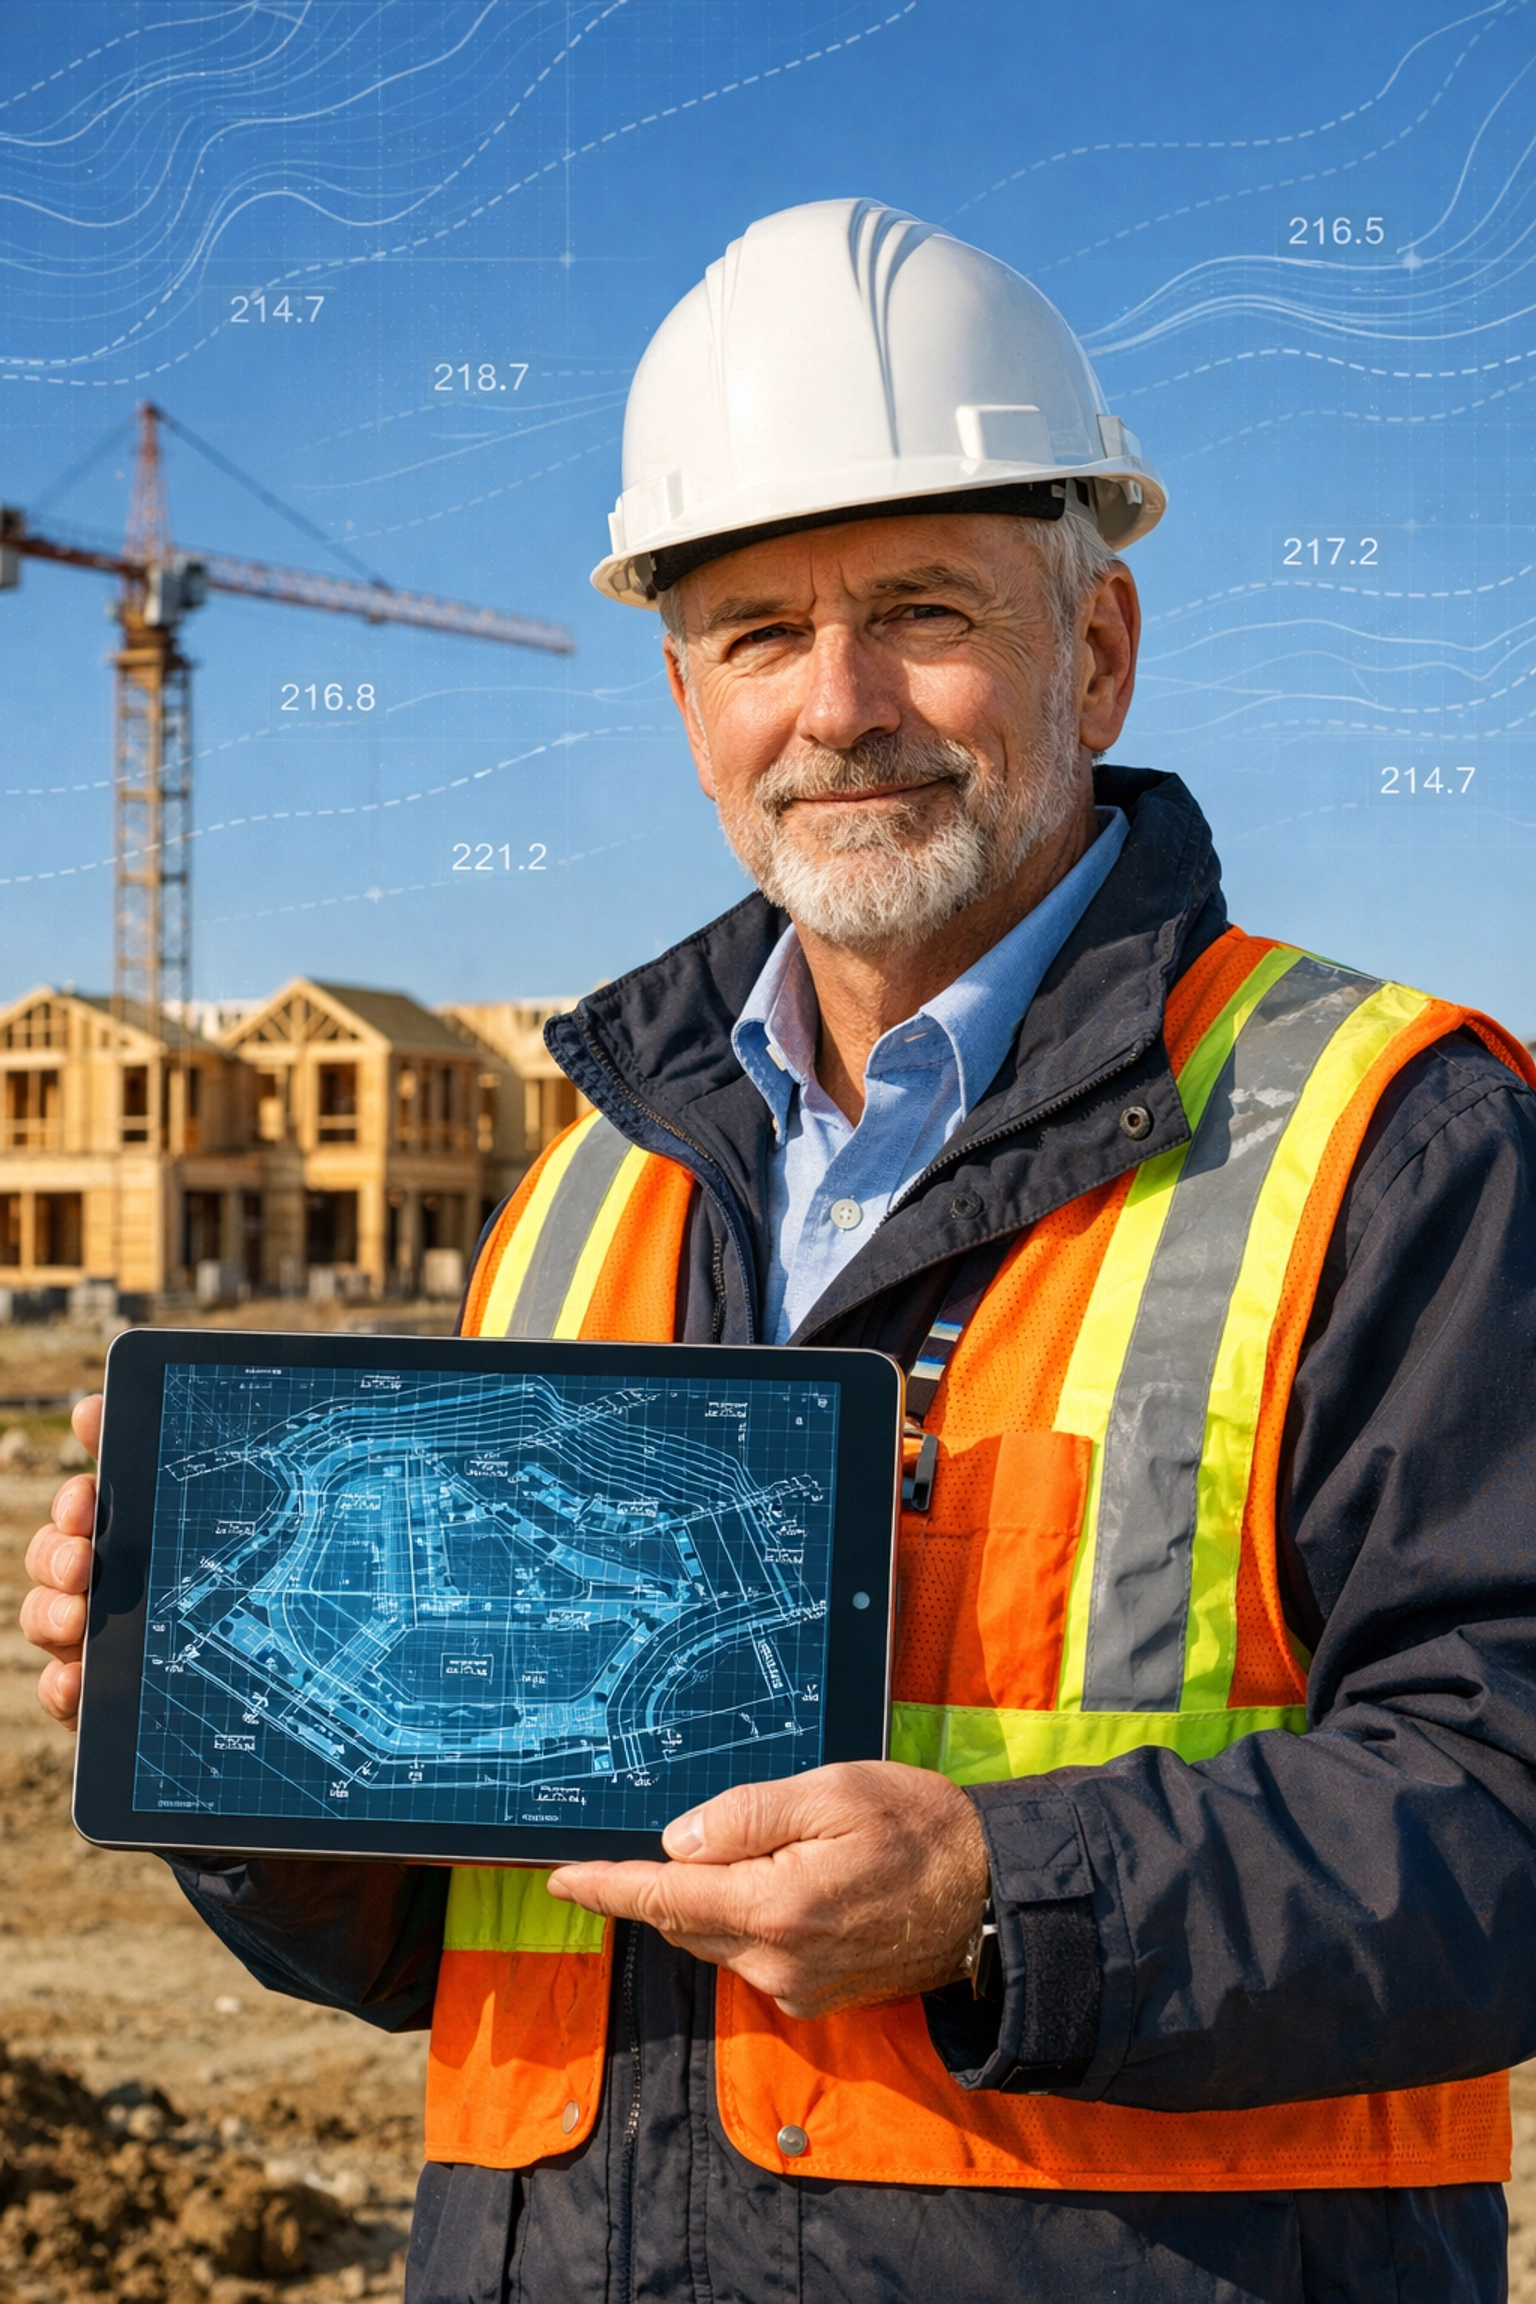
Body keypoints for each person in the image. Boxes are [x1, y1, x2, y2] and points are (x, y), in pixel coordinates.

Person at [22, 199, 1536, 2304]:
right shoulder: (583, 1195)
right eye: (755, 633)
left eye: (922, 611)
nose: (837, 707)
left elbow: (1505, 1805)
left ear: (1092, 650)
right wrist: (234, 1733)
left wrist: (1011, 1895)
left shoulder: (1389, 1137)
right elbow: (440, 1922)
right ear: (683, 695)